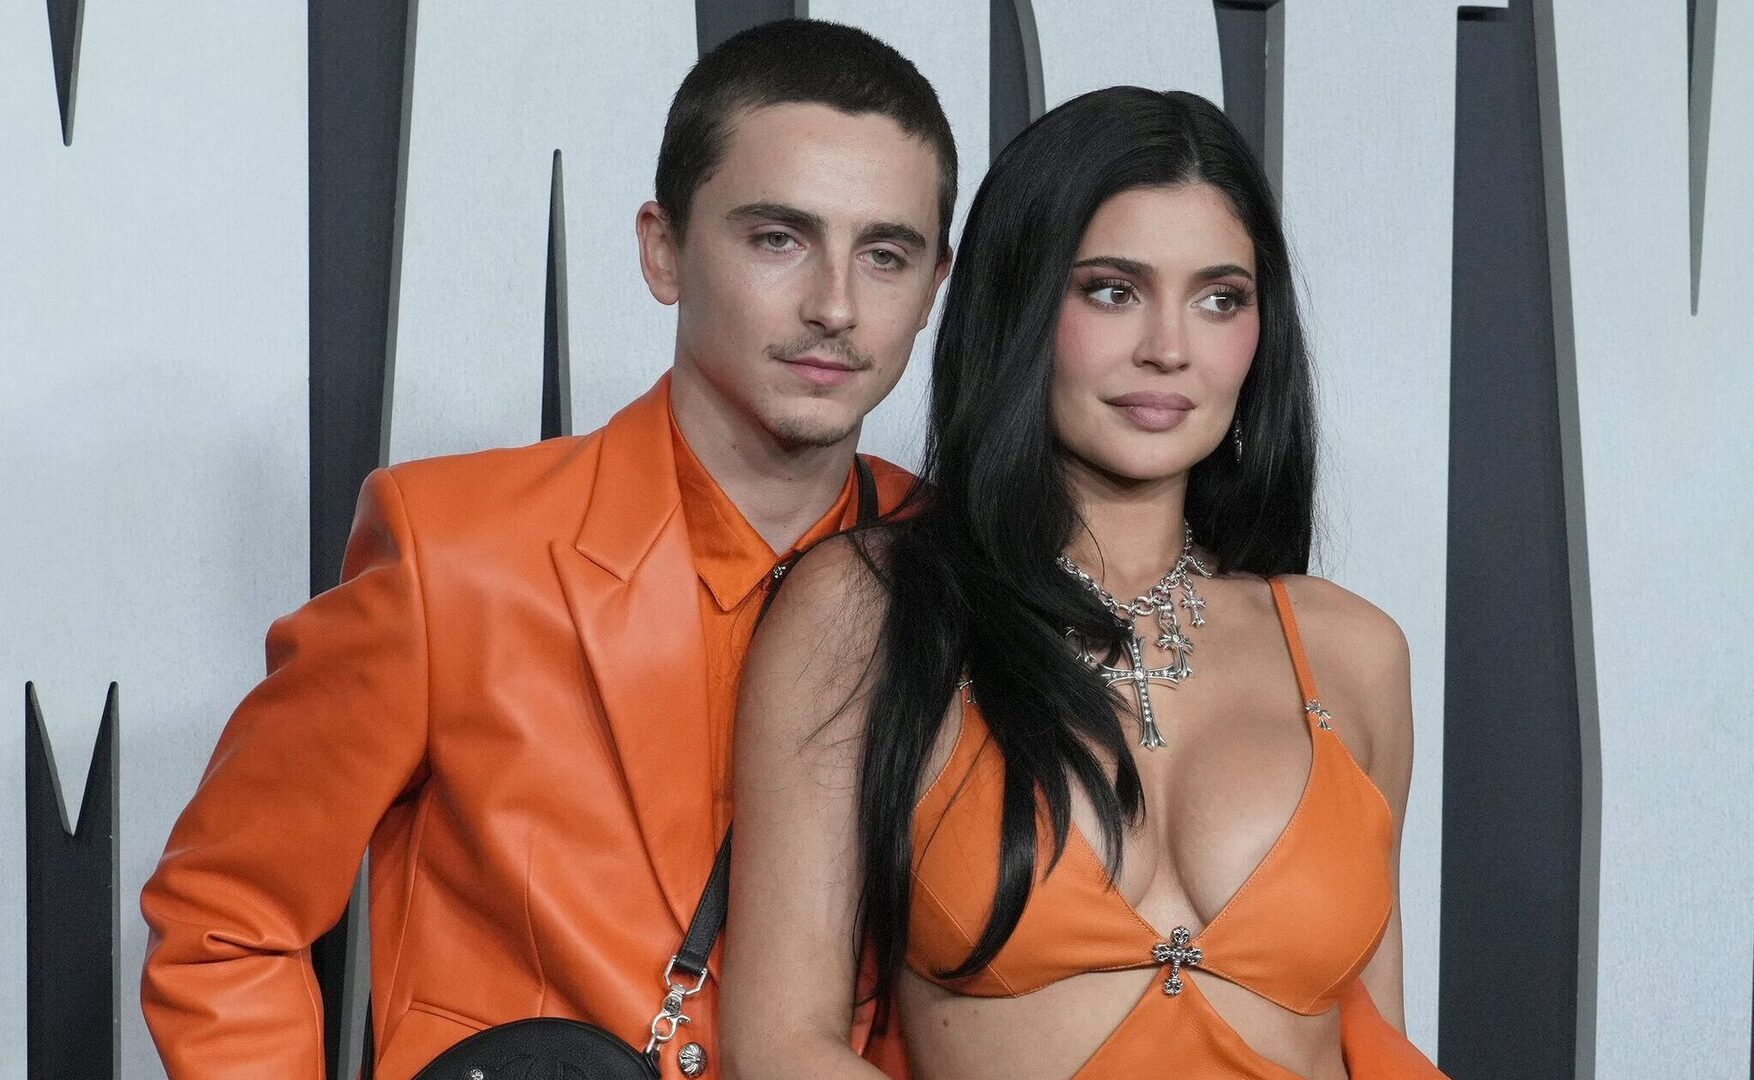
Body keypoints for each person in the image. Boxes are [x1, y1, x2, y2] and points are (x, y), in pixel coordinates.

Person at [138, 19, 953, 1080]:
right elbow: (224, 916)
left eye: (884, 255)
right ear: (663, 250)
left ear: (934, 287)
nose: (834, 305)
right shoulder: (454, 553)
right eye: (777, 239)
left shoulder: (962, 575)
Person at [723, 86, 1445, 1079]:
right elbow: (777, 1045)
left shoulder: (1353, 651)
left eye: (1219, 298)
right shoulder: (869, 609)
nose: (1168, 349)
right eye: (1111, 290)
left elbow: (1380, 1042)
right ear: (1019, 303)